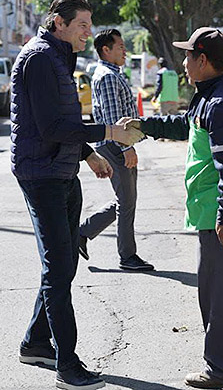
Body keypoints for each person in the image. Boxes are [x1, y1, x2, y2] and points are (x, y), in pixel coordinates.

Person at [11, 0, 143, 390]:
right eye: (82, 24)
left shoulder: (59, 55)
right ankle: (67, 366)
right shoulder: (38, 58)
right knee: (57, 268)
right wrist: (108, 134)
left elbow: (62, 119)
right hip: (42, 174)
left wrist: (88, 154)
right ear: (58, 22)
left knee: (64, 265)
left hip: (63, 169)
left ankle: (35, 342)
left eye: (89, 24)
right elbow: (50, 128)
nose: (89, 31)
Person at [136, 27, 223, 389]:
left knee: (219, 296)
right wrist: (144, 125)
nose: (183, 63)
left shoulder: (220, 104)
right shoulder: (219, 92)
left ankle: (221, 370)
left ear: (203, 60)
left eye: (188, 56)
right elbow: (188, 124)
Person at [77, 29, 154, 271]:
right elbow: (113, 117)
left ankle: (82, 234)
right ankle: (127, 257)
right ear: (106, 50)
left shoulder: (110, 73)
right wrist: (125, 147)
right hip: (115, 145)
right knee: (126, 202)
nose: (124, 50)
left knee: (125, 200)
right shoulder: (108, 77)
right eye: (120, 46)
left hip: (115, 144)